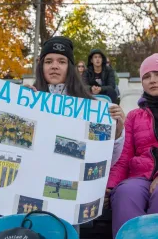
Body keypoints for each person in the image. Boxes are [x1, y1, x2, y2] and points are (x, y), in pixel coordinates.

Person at [25, 36, 125, 165]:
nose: (54, 66)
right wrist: (18, 105)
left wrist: (117, 133)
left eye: (61, 61)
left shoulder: (90, 107)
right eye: (49, 61)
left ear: (70, 68)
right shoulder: (28, 99)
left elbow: (106, 161)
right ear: (41, 66)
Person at [106, 53, 158, 238]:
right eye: (146, 76)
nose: (152, 80)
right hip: (140, 176)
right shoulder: (135, 116)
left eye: (157, 74)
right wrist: (110, 186)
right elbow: (124, 156)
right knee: (125, 192)